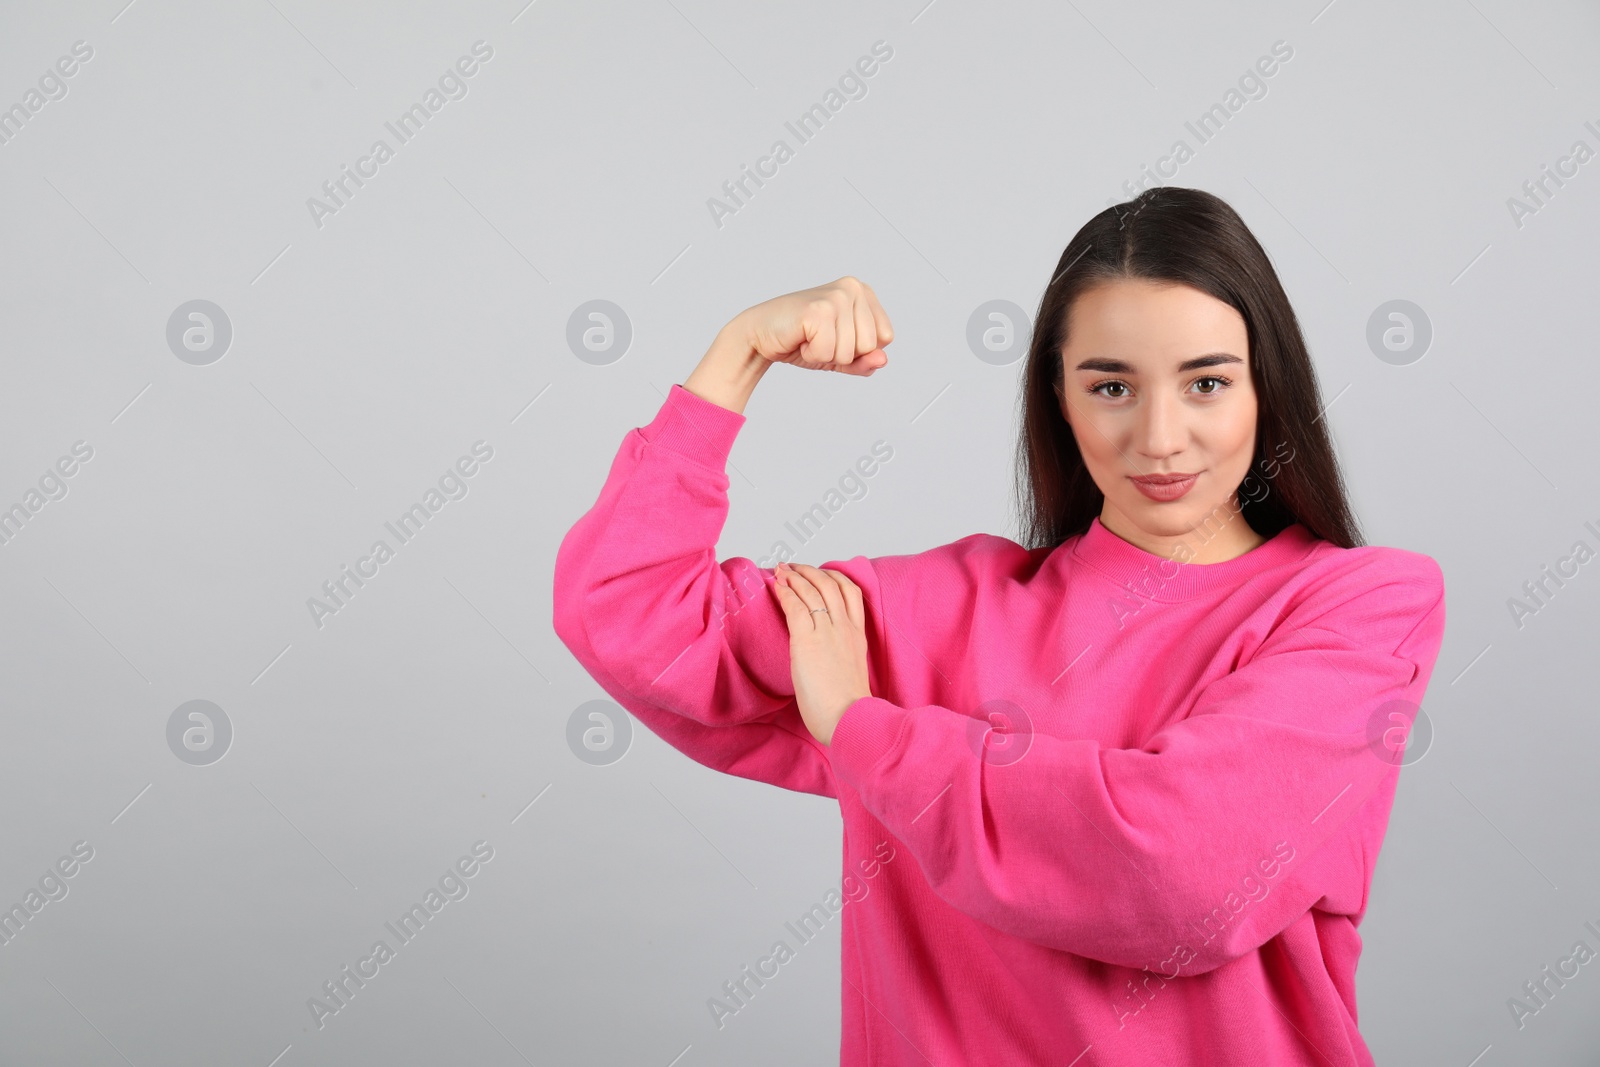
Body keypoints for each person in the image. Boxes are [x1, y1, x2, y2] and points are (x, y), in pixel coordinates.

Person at [552, 186, 1446, 1066]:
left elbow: (1182, 877)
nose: (1161, 436)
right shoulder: (935, 611)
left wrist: (865, 732)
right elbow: (624, 610)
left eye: (1207, 382)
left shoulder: (1361, 606)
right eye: (1112, 386)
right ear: (1059, 398)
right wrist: (738, 353)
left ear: (1267, 390)